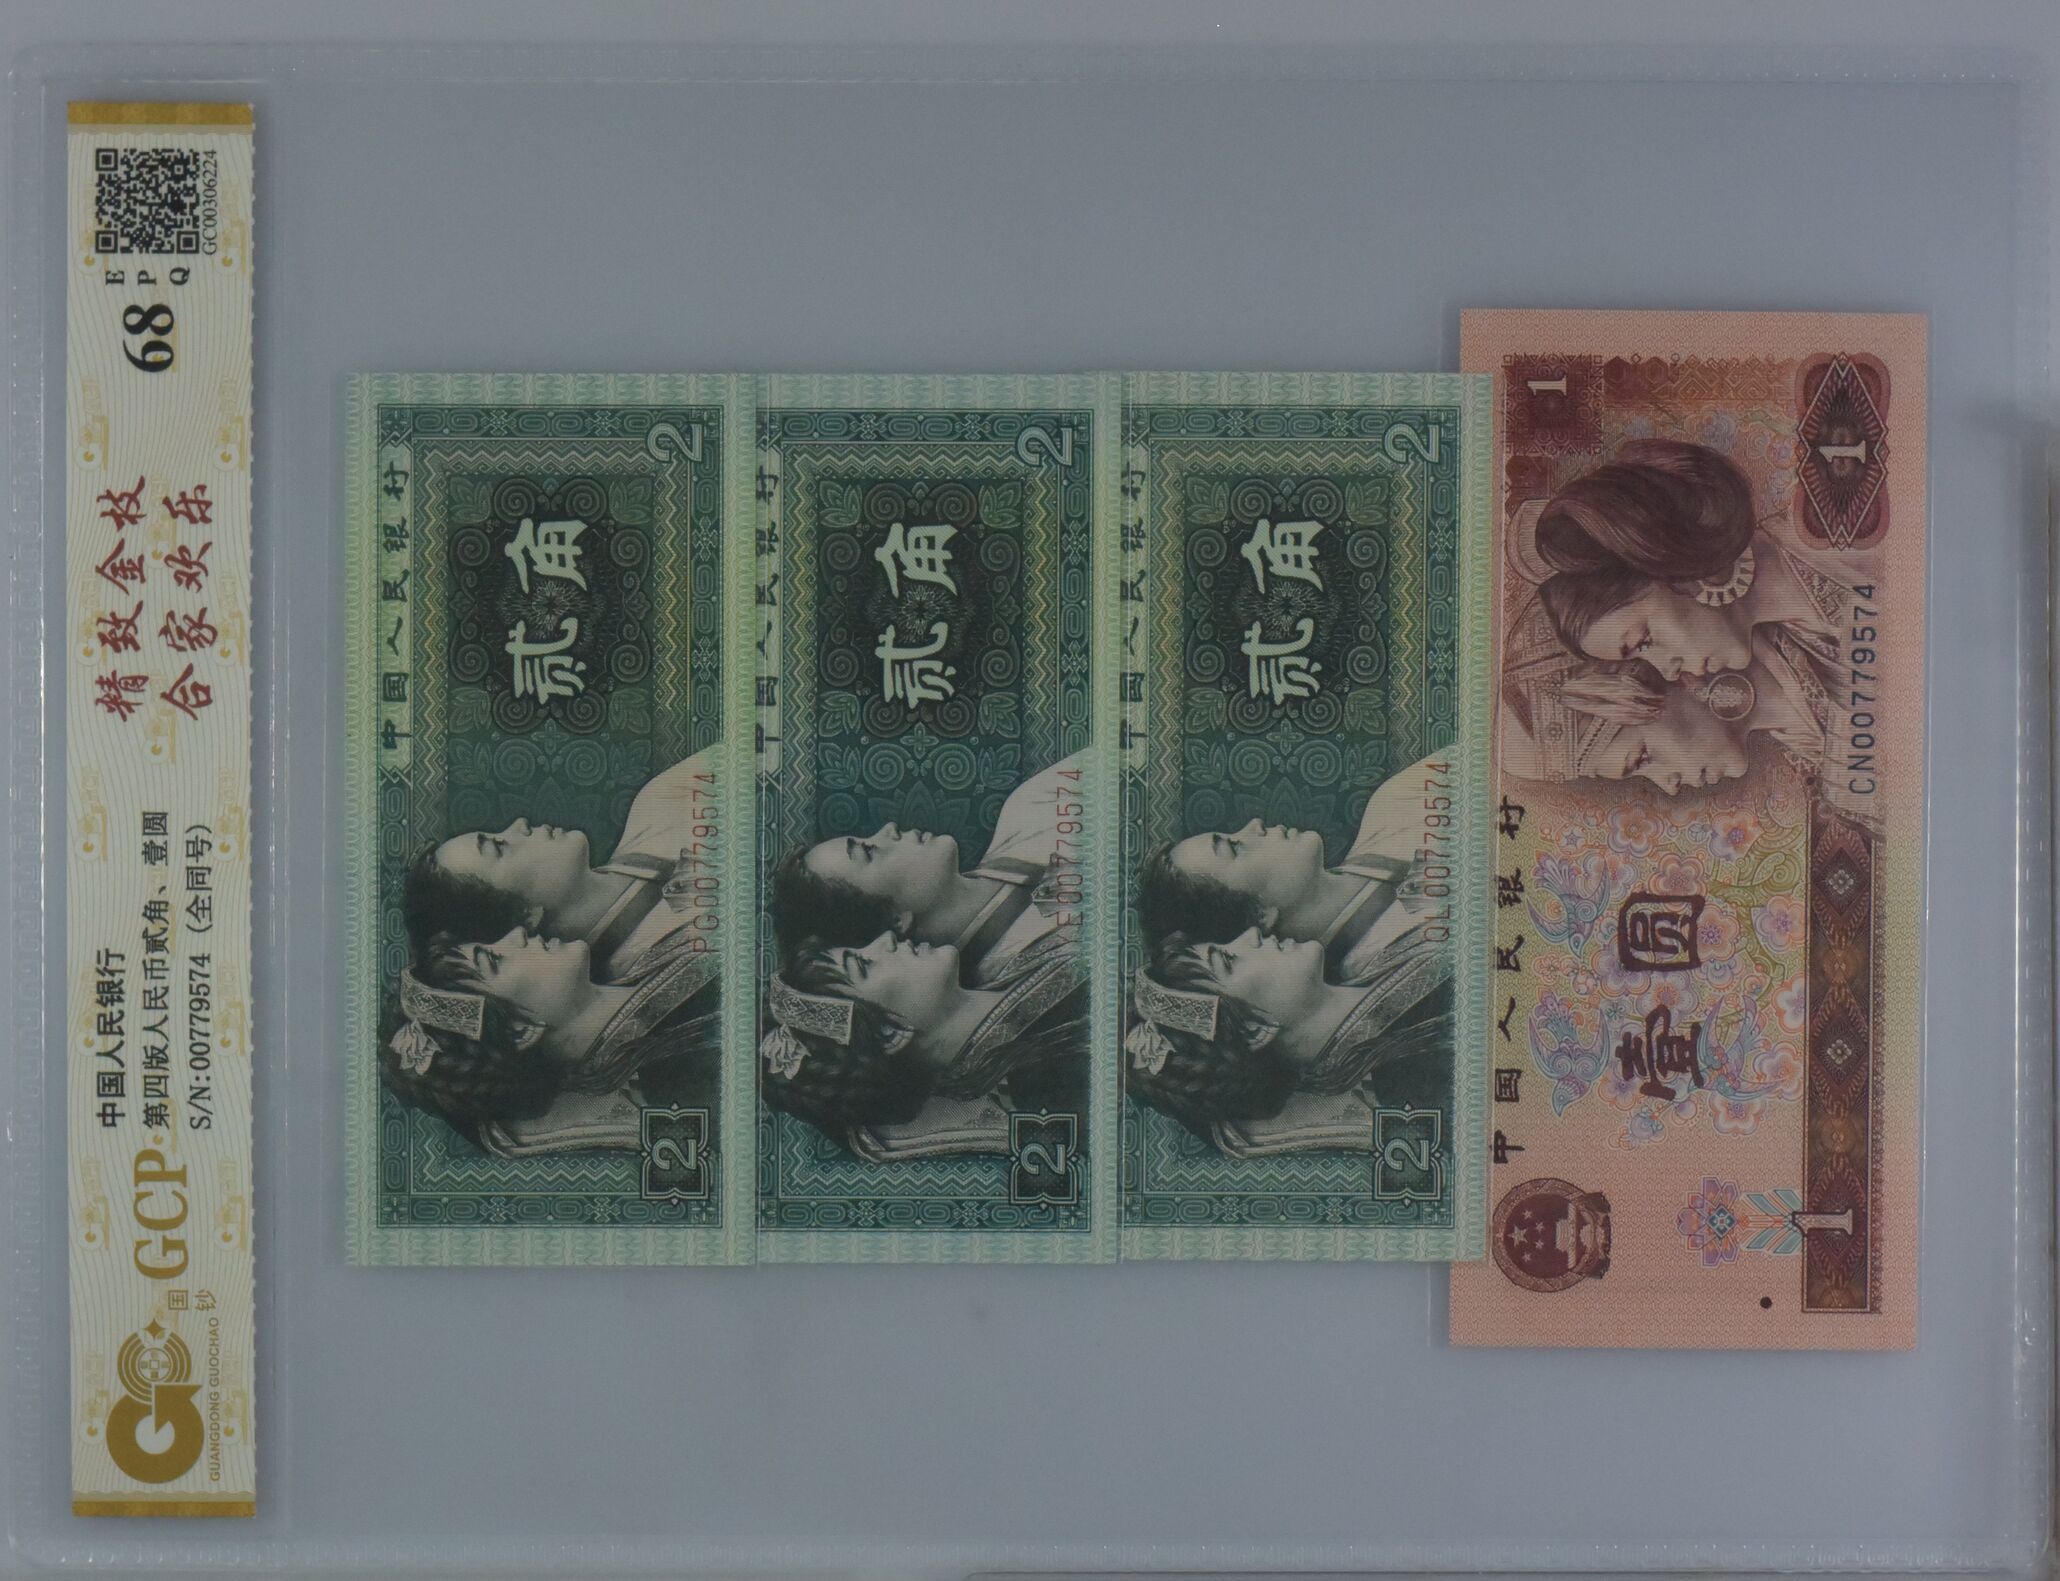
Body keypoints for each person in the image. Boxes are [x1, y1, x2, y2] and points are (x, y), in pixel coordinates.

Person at [1516, 437, 1879, 700]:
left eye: (1644, 642)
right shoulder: (1794, 667)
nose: (1668, 671)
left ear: (1675, 574)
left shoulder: (1838, 534)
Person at [379, 923, 717, 1154]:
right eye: (495, 959)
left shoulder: (638, 958)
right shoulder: (681, 1081)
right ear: (520, 1030)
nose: (516, 933)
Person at [403, 747, 720, 986]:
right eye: (499, 846)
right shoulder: (659, 974)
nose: (519, 824)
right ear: (525, 914)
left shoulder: (659, 802)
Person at [769, 749, 1087, 986]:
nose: (889, 829)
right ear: (896, 919)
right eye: (868, 851)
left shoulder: (1031, 805)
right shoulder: (1029, 977)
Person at [1135, 751, 1449, 986]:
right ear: (1260, 915)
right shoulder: (1398, 971)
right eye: (1234, 846)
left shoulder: (1395, 802)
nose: (1254, 825)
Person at [1124, 927, 1450, 1153]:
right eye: (1229, 960)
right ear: (1254, 1029)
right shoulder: (1412, 1080)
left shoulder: (1368, 957)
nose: (1251, 934)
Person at [759, 930, 1085, 1153]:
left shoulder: (1007, 964)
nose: (886, 938)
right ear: (890, 1033)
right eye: (865, 964)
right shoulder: (1049, 1083)